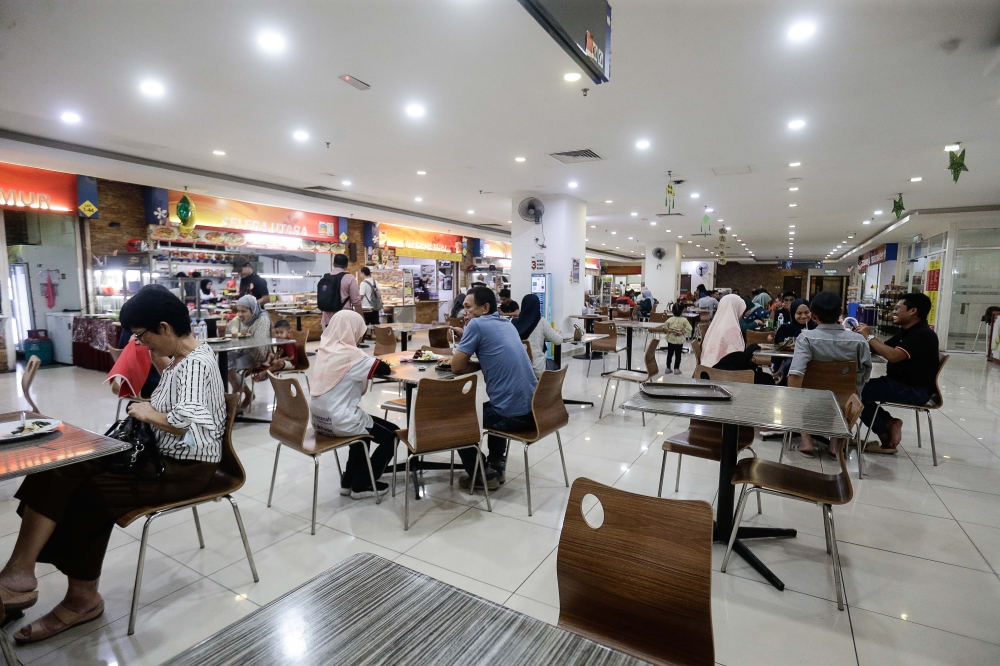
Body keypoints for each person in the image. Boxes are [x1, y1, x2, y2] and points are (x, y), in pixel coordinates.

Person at [0, 288, 225, 644]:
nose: (141, 343)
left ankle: (80, 600)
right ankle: (18, 573)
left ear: (164, 327)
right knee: (61, 464)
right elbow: (180, 397)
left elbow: (184, 423)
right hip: (157, 455)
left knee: (88, 495)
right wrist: (152, 374)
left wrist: (144, 410)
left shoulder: (196, 362)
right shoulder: (184, 359)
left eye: (142, 336)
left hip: (183, 469)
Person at [450, 287, 537, 489]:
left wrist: (467, 336)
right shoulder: (507, 324)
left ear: (485, 308)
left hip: (511, 415)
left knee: (455, 421)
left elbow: (456, 367)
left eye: (468, 307)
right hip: (533, 410)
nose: (464, 312)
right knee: (495, 405)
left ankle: (483, 475)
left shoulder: (477, 325)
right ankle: (497, 465)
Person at [310, 310, 396, 498]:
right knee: (394, 435)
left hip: (318, 420)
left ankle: (348, 481)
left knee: (362, 436)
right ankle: (363, 483)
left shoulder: (324, 349)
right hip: (340, 420)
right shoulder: (351, 354)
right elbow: (384, 369)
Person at [786, 291, 872, 456]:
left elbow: (796, 373)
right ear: (840, 312)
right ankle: (836, 443)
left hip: (810, 401)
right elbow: (865, 374)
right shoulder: (859, 341)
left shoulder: (805, 338)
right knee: (853, 393)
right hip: (846, 403)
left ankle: (806, 440)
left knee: (794, 391)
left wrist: (792, 400)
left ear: (813, 315)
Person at [854, 293, 939, 453]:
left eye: (897, 308)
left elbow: (892, 356)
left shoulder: (922, 335)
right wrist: (860, 337)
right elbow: (881, 348)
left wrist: (869, 335)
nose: (893, 312)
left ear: (913, 311)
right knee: (856, 388)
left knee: (856, 393)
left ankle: (886, 440)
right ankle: (890, 422)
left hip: (913, 390)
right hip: (897, 383)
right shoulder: (907, 331)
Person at [700, 294, 773, 384]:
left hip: (707, 372)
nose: (741, 314)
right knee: (767, 379)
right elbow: (739, 360)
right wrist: (755, 346)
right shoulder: (731, 328)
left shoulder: (714, 326)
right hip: (723, 376)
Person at [228, 295, 273, 405]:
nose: (240, 314)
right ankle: (245, 391)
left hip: (259, 355)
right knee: (220, 360)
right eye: (238, 311)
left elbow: (260, 344)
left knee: (229, 366)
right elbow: (228, 330)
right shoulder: (240, 319)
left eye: (243, 311)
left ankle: (238, 391)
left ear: (253, 310)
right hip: (242, 352)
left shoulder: (263, 318)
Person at [513, 293, 562, 377]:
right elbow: (558, 340)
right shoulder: (541, 322)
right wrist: (555, 333)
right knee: (554, 365)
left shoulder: (513, 322)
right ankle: (550, 388)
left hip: (517, 370)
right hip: (537, 369)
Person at [321, 254, 364, 327]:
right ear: (347, 265)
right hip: (343, 319)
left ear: (333, 264)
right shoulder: (350, 278)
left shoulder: (325, 278)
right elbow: (356, 301)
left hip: (326, 319)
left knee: (329, 338)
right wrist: (361, 319)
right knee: (345, 338)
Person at [663, 303, 692, 375]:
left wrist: (672, 331)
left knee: (669, 354)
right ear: (682, 311)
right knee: (678, 355)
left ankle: (668, 368)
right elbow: (690, 328)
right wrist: (682, 332)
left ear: (672, 311)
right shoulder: (684, 320)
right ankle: (676, 369)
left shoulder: (670, 319)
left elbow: (664, 328)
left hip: (670, 339)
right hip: (679, 340)